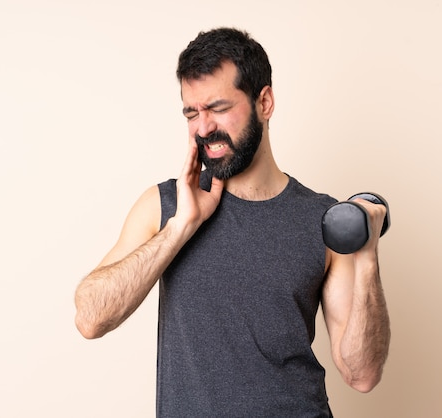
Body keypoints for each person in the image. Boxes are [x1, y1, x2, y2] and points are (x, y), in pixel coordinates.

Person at [74, 27, 390, 417]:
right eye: (192, 113)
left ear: (265, 101)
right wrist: (179, 228)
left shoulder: (322, 221)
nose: (203, 128)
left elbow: (361, 374)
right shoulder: (164, 205)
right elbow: (90, 318)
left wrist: (368, 256)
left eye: (218, 108)